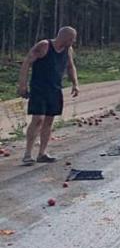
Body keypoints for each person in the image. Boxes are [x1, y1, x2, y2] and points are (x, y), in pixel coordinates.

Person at [15, 26, 79, 165]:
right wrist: (22, 85)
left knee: (49, 121)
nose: (73, 41)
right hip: (39, 88)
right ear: (65, 37)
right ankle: (27, 154)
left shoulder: (68, 50)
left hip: (55, 89)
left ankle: (42, 153)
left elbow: (70, 66)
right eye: (72, 39)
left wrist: (75, 83)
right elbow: (27, 62)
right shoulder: (44, 46)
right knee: (38, 119)